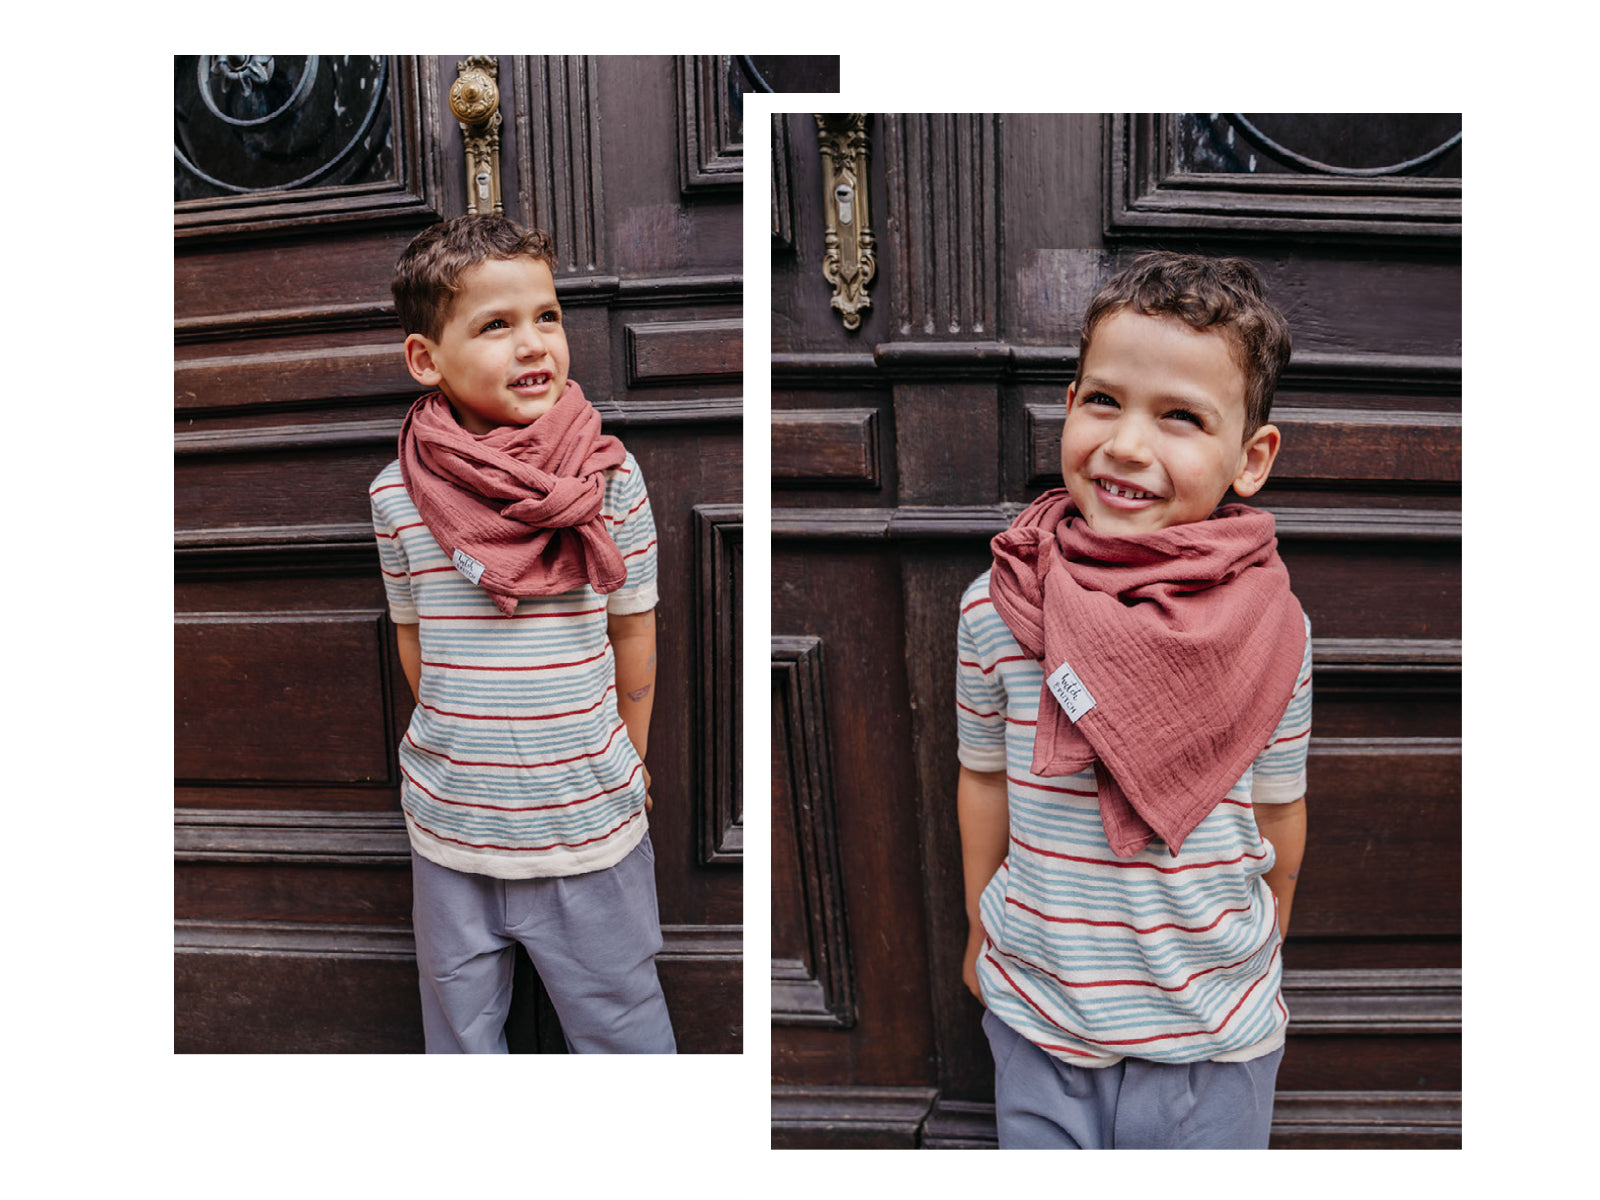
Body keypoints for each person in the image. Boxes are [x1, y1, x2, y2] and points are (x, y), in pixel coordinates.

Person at [956, 251, 1310, 1146]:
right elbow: (984, 782)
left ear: (1251, 457)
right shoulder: (1000, 605)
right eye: (1104, 401)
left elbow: (1281, 810)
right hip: (1040, 1015)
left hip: (1214, 1039)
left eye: (1181, 417)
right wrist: (978, 928)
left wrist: (1264, 955)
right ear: (1068, 405)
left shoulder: (1277, 626)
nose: (1126, 445)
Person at [369, 214, 675, 1053]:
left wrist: (631, 759)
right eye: (496, 325)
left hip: (588, 826)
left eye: (546, 316)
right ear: (426, 360)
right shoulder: (399, 495)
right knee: (462, 1042)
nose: (534, 343)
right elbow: (415, 642)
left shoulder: (608, 478)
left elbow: (633, 635)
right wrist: (461, 749)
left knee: (624, 1037)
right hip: (451, 830)